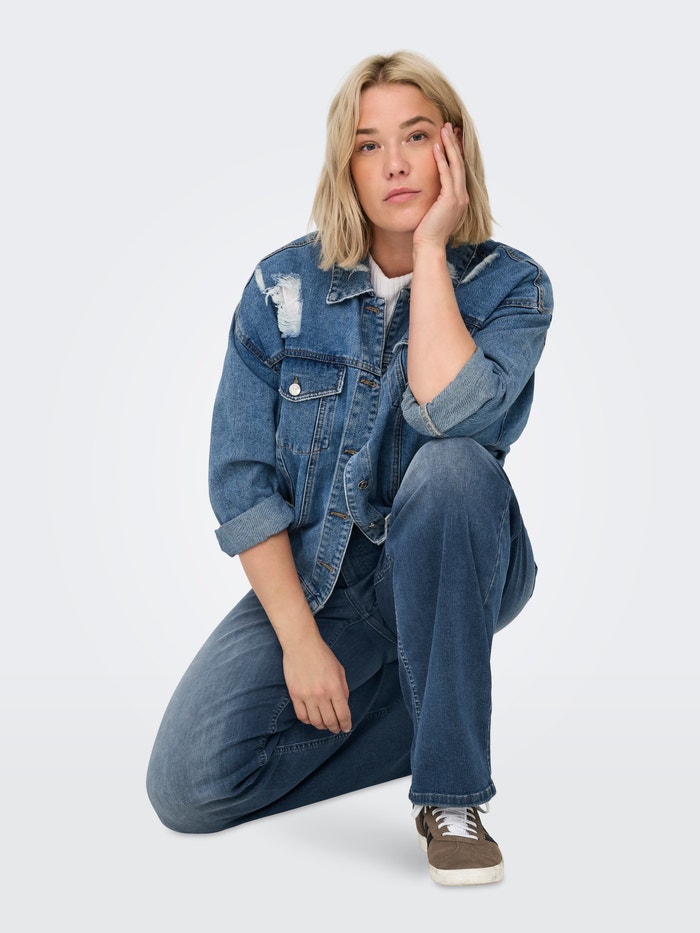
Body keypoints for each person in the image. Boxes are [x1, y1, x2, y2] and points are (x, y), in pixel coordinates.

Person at [146, 49, 553, 887]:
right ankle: (425, 712)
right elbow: (242, 481)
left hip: (458, 555)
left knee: (450, 466)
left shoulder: (513, 288)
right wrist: (300, 641)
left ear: (453, 147)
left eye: (416, 137)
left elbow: (452, 416)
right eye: (369, 145)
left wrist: (431, 249)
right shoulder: (282, 288)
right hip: (323, 580)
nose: (394, 163)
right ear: (345, 165)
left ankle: (450, 795)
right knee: (188, 786)